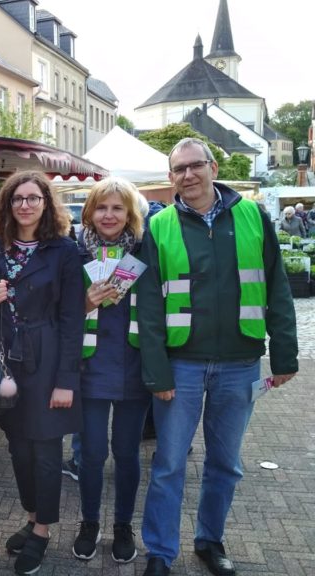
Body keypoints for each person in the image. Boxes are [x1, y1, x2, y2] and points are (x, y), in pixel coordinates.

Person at [137, 138, 299, 576]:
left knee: (225, 463)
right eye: (178, 170)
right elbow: (148, 304)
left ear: (212, 167)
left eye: (195, 166)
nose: (187, 176)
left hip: (240, 361)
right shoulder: (159, 226)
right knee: (169, 464)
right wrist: (156, 370)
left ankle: (209, 541)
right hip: (180, 364)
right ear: (171, 178)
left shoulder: (253, 216)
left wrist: (284, 354)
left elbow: (276, 286)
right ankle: (160, 552)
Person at [0, 171, 85, 575]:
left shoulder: (63, 251)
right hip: (7, 359)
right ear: (7, 205)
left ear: (46, 203)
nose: (25, 205)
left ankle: (42, 531)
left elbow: (73, 318)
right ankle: (31, 515)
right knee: (18, 448)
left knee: (45, 451)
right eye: (17, 199)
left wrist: (66, 381)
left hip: (47, 358)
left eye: (33, 198)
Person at [70, 177, 150, 564]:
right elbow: (59, 314)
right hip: (90, 370)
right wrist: (84, 303)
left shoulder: (146, 254)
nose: (109, 215)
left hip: (134, 370)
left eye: (118, 208)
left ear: (130, 214)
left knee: (127, 453)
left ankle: (122, 524)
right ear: (89, 212)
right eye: (101, 207)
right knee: (91, 454)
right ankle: (89, 522)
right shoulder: (75, 254)